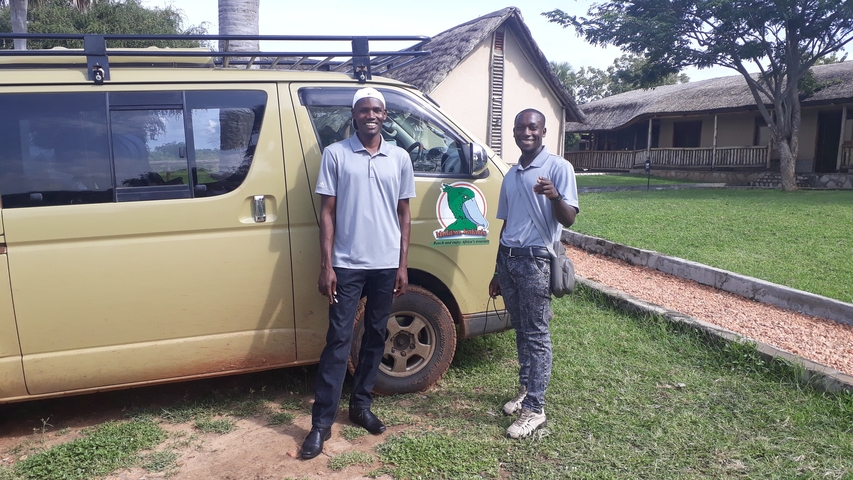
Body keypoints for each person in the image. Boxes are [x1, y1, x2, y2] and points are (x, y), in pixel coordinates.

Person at [301, 87, 416, 459]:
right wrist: (327, 264)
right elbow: (327, 213)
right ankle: (321, 424)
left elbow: (404, 214)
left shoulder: (398, 158)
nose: (371, 114)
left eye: (377, 109)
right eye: (364, 109)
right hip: (347, 265)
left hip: (385, 264)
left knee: (375, 336)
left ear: (385, 115)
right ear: (354, 115)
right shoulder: (336, 155)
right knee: (337, 341)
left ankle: (361, 407)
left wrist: (402, 264)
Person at [488, 108, 579, 439]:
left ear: (543, 131)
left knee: (537, 333)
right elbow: (505, 224)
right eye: (520, 128)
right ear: (513, 133)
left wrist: (555, 196)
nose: (526, 132)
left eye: (533, 127)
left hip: (536, 261)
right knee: (522, 330)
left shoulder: (558, 167)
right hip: (510, 260)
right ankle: (526, 390)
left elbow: (568, 219)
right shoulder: (511, 176)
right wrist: (498, 269)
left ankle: (535, 409)